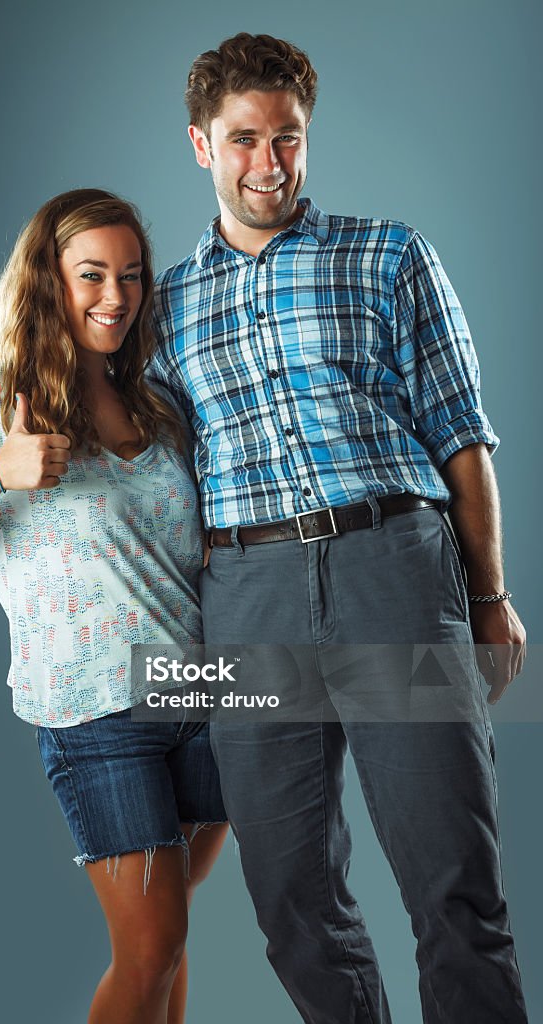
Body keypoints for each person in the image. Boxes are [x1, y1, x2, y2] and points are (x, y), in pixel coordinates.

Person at [148, 32, 529, 1024]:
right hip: (245, 599)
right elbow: (151, 477)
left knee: (451, 881)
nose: (268, 164)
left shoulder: (390, 254)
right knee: (288, 897)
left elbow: (461, 435)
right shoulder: (163, 309)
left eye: (288, 139)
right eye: (243, 141)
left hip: (390, 569)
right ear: (200, 144)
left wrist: (488, 598)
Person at [0, 188, 228, 1024]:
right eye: (91, 275)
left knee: (170, 942)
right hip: (93, 707)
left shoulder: (160, 402)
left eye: (130, 276)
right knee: (150, 945)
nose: (114, 296)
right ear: (49, 279)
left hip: (200, 695)